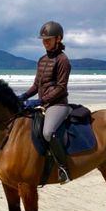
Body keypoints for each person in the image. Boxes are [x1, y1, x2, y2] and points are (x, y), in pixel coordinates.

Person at [19, 21, 72, 184]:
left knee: (48, 132)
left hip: (58, 105)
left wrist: (41, 100)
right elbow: (37, 85)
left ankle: (63, 168)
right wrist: (23, 96)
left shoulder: (63, 60)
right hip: (43, 103)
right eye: (43, 40)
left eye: (48, 39)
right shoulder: (42, 59)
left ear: (59, 38)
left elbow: (61, 88)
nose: (45, 43)